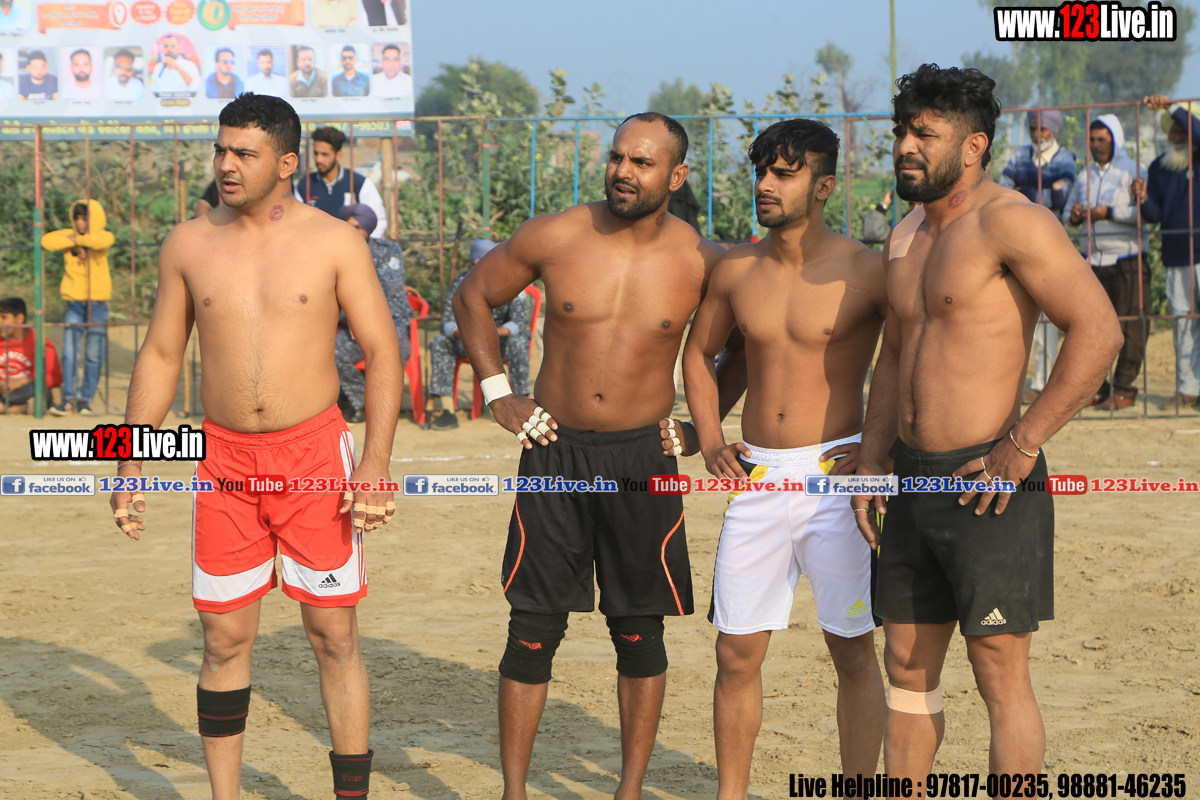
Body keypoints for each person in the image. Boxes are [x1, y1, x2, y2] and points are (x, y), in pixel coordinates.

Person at [107, 93, 401, 800]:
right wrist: (128, 459)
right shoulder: (187, 243)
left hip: (315, 458)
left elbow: (383, 350)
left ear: (288, 163)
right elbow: (159, 355)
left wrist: (375, 463)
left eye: (244, 152)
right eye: (221, 150)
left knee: (334, 638)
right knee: (222, 641)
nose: (227, 164)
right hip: (223, 463)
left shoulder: (336, 242)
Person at [852, 64, 1121, 779]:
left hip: (988, 478)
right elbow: (894, 352)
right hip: (910, 480)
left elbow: (1098, 330)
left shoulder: (1012, 222)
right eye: (901, 132)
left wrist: (1022, 444)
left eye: (924, 134)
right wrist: (873, 459)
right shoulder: (904, 237)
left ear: (973, 147)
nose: (905, 147)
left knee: (998, 671)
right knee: (905, 666)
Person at [454, 112, 724, 800]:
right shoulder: (557, 235)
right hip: (555, 449)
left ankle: (628, 791)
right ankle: (515, 793)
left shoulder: (702, 260)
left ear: (677, 175)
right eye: (617, 157)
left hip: (643, 458)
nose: (623, 172)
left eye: (642, 162)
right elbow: (473, 295)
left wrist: (703, 430)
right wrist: (498, 393)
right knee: (532, 628)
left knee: (638, 632)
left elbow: (749, 340)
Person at [682, 118, 887, 790]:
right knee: (735, 654)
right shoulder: (737, 269)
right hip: (759, 477)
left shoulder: (866, 269)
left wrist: (881, 450)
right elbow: (699, 354)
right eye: (762, 171)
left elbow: (911, 355)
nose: (766, 184)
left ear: (823, 186)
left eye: (785, 173)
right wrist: (710, 439)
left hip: (838, 476)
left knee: (853, 652)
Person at [1063, 115, 1148, 410]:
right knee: (1094, 328)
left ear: (1116, 139)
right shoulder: (1085, 176)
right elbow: (1066, 215)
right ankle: (1098, 388)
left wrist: (1106, 213)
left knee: (1131, 327)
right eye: (1092, 139)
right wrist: (1075, 215)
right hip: (1094, 260)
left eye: (1102, 139)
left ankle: (1124, 389)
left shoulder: (1133, 171)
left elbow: (1144, 214)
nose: (1096, 145)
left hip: (1128, 257)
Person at [999, 109, 1078, 403]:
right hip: (1017, 244)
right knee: (1014, 316)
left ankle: (1045, 382)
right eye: (1033, 128)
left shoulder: (1065, 158)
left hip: (1050, 245)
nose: (1037, 133)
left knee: (1047, 319)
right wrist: (1036, 193)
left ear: (1053, 131)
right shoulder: (1021, 155)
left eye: (1042, 129)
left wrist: (1024, 192)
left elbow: (1062, 196)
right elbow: (1002, 191)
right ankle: (1015, 382)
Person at [1134, 96, 1200, 410]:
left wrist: (1171, 107)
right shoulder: (1159, 167)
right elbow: (1154, 215)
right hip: (1176, 257)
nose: (1176, 135)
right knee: (1182, 325)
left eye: (1181, 129)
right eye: (1171, 130)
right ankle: (1188, 389)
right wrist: (1142, 198)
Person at [427, 239, 530, 431]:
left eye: (486, 261)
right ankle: (448, 411)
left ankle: (521, 401)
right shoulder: (461, 281)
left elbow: (518, 322)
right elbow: (447, 319)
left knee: (518, 342)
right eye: (476, 263)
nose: (480, 267)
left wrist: (487, 332)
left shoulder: (513, 279)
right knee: (440, 342)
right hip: (468, 339)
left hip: (501, 339)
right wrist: (458, 333)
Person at [334, 202, 413, 424]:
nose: (354, 231)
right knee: (332, 354)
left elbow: (388, 290)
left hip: (390, 322)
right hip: (352, 324)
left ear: (368, 228)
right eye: (349, 226)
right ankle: (362, 404)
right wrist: (353, 319)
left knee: (393, 355)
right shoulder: (336, 253)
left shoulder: (389, 250)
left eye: (358, 227)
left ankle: (385, 407)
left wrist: (363, 319)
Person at [42, 199, 114, 417]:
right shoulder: (69, 236)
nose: (81, 223)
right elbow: (47, 241)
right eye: (77, 218)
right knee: (70, 352)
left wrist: (78, 241)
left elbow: (103, 241)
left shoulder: (102, 236)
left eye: (85, 218)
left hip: (97, 304)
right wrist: (75, 242)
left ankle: (85, 399)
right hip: (74, 304)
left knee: (93, 354)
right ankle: (68, 398)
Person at [294, 126, 387, 239]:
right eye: (316, 153)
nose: (318, 159)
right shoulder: (305, 185)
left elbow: (378, 220)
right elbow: (296, 223)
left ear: (338, 155)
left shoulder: (359, 183)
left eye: (324, 154)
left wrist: (363, 245)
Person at [0, 297, 62, 414]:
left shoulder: (40, 342)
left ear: (19, 319)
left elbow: (55, 378)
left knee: (40, 389)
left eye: (4, 317)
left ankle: (5, 407)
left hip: (24, 391)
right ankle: (18, 409)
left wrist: (25, 380)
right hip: (4, 390)